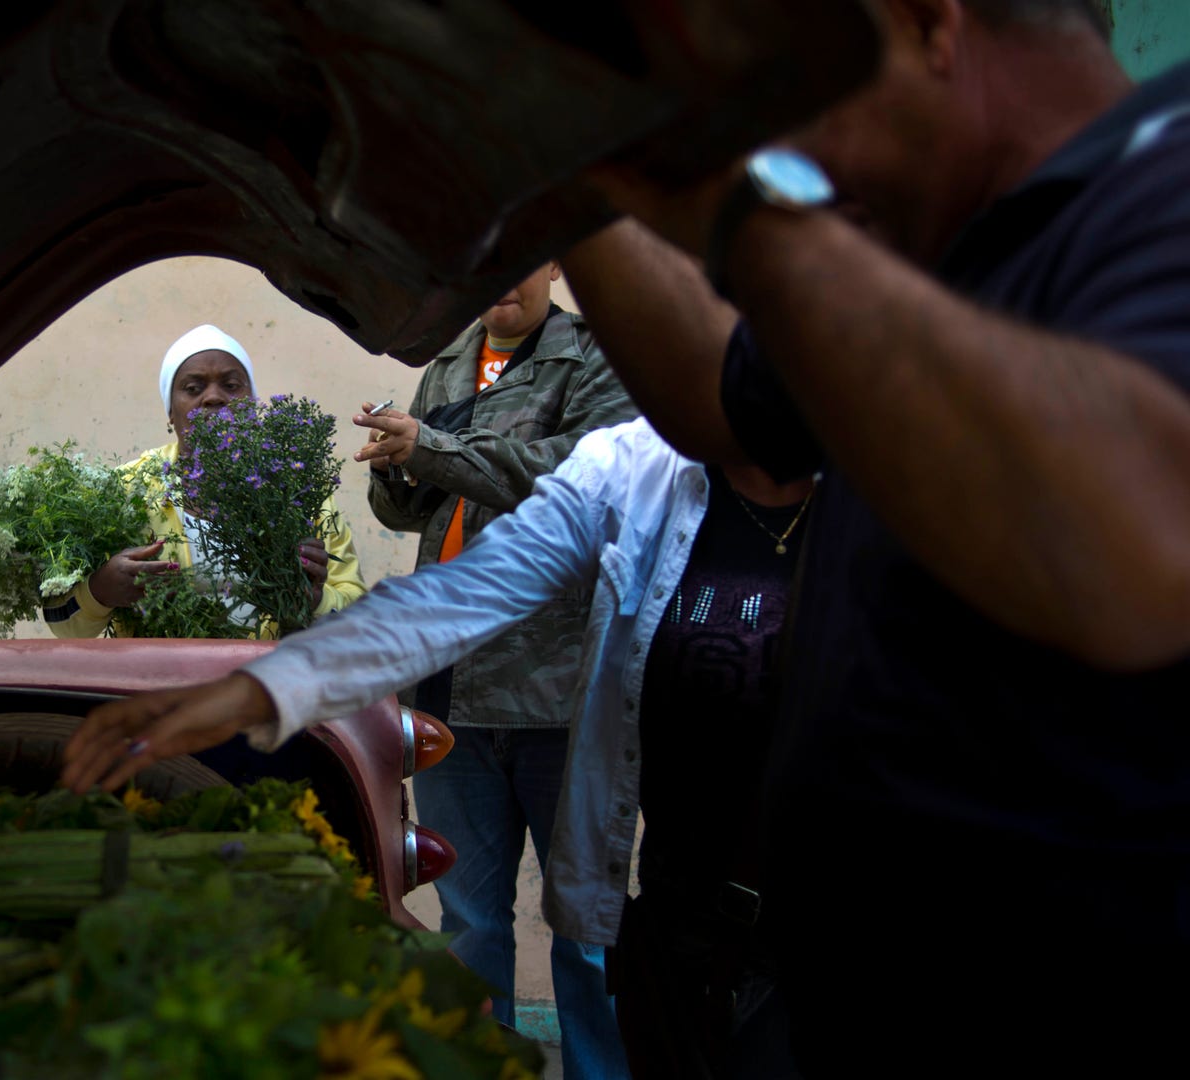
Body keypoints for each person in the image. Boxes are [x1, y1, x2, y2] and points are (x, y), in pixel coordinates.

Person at [540, 0, 1190, 1073]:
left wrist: (741, 216)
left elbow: (1147, 530)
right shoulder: (945, 252)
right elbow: (714, 389)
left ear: (931, 22)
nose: (799, 158)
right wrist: (559, 166)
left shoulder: (1158, 191)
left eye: (798, 97)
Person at [57, 417, 813, 1078]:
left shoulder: (901, 471)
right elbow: (459, 595)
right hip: (694, 931)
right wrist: (254, 692)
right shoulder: (639, 468)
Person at [354, 260, 635, 1074]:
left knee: (585, 931)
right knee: (470, 923)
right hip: (450, 691)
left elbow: (577, 476)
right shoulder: (448, 362)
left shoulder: (598, 357)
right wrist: (399, 460)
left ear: (554, 261)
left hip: (561, 692)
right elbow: (407, 504)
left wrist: (433, 447)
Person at [44, 324, 366, 638]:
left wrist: (315, 600)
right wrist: (99, 591)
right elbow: (62, 623)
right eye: (193, 388)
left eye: (231, 385)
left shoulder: (298, 495)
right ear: (171, 411)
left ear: (252, 403)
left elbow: (359, 620)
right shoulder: (126, 490)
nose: (213, 398)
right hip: (158, 684)